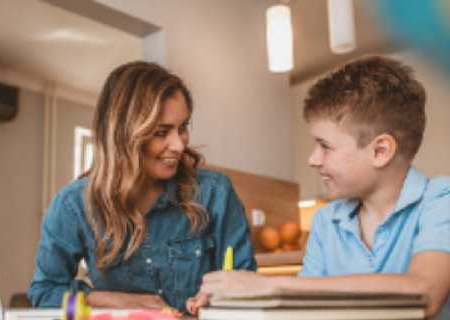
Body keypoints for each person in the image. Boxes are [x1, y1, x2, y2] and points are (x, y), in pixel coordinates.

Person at [187, 56, 450, 318]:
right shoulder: (327, 220)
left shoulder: (440, 201)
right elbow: (301, 310)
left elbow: (424, 294)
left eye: (325, 146)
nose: (313, 159)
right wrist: (233, 300)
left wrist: (266, 284)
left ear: (380, 151)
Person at [28, 61, 256, 312]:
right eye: (161, 132)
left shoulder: (215, 193)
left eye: (182, 128)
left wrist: (223, 298)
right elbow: (45, 292)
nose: (179, 145)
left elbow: (249, 288)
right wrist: (111, 300)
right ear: (123, 136)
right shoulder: (73, 205)